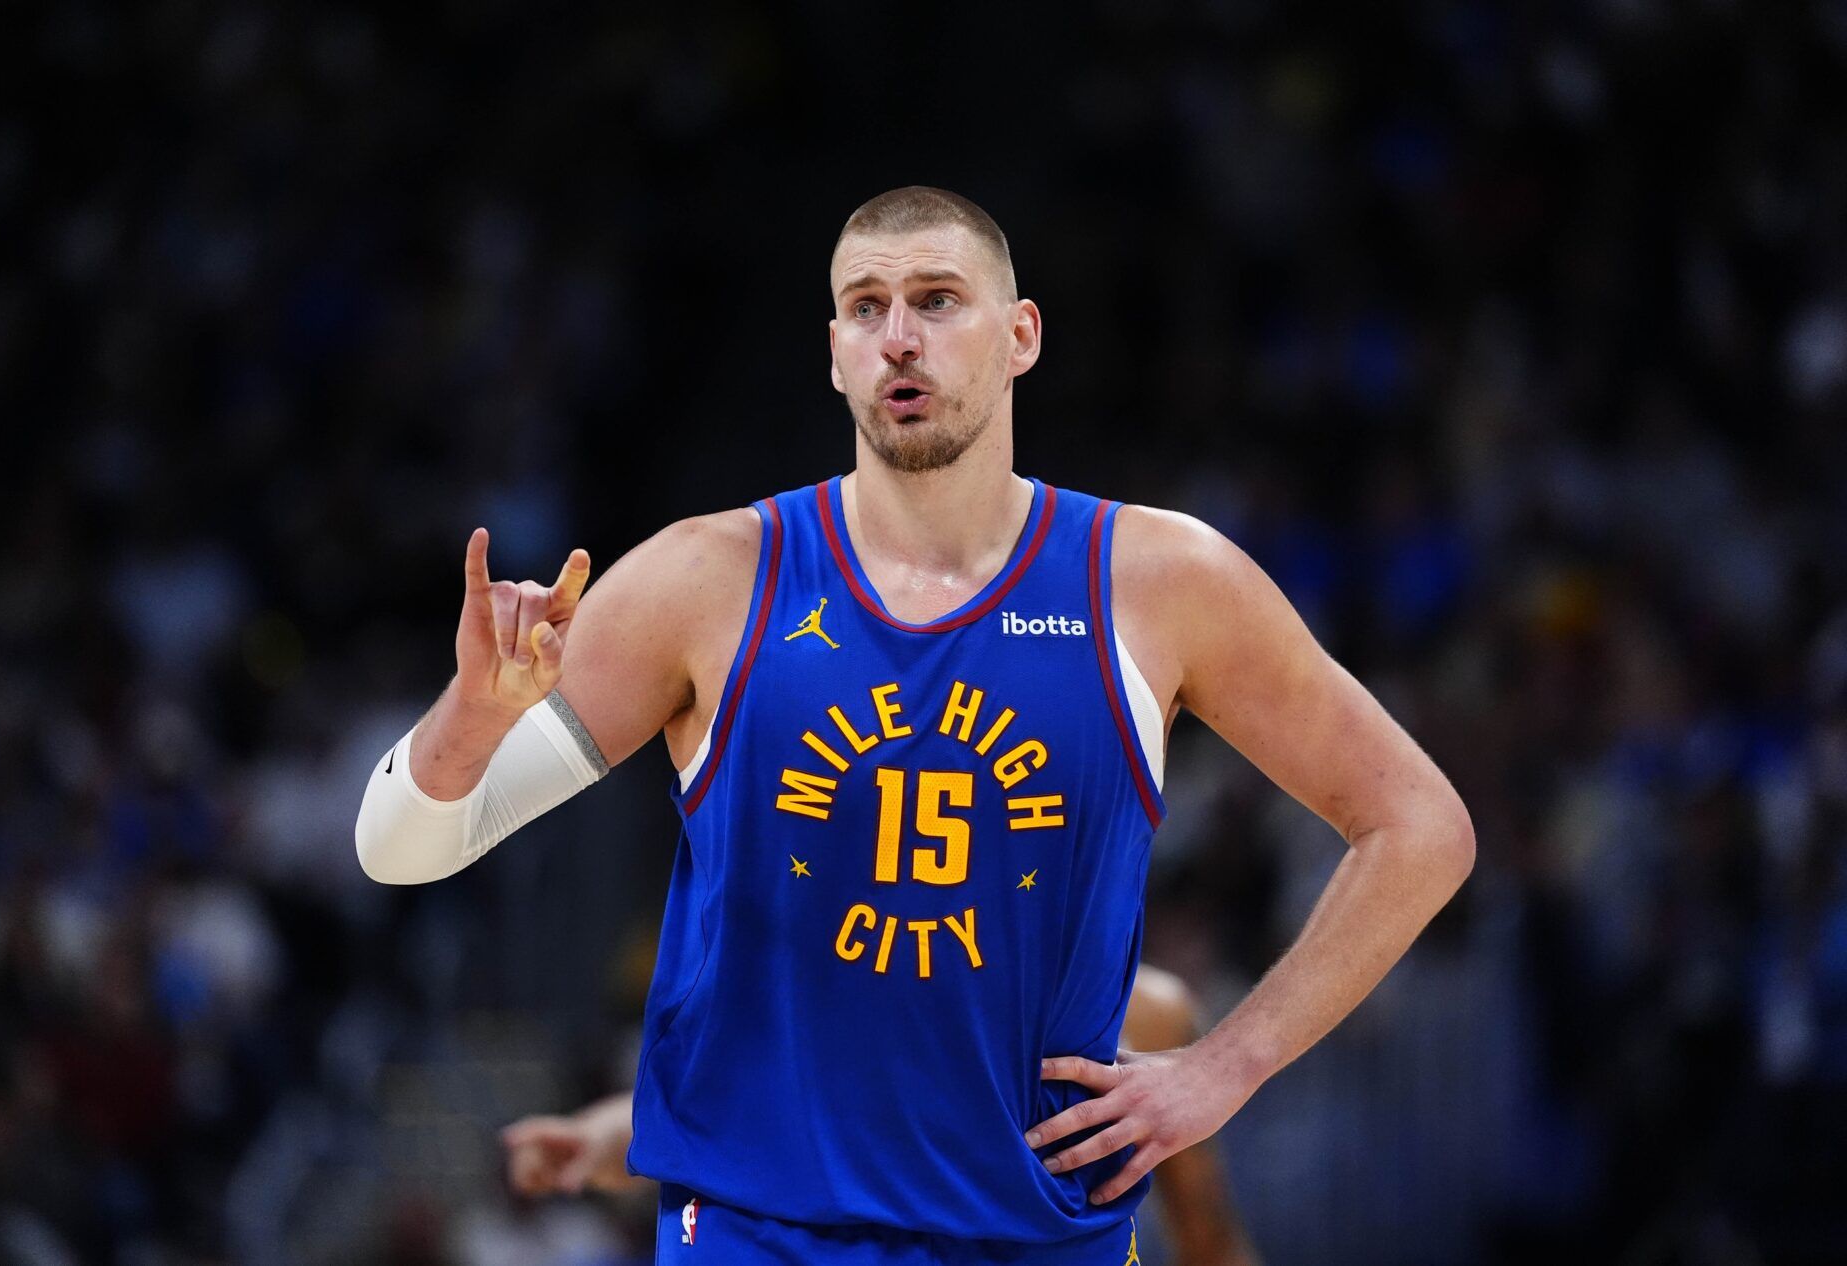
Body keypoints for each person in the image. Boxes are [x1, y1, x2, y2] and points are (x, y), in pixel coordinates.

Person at [354, 186, 1475, 1264]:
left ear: (1021, 334)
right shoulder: (706, 579)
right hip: (759, 1234)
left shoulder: (1158, 579)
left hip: (1039, 1238)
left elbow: (1420, 826)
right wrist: (473, 711)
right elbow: (404, 850)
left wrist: (1229, 1066)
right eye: (866, 307)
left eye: (938, 299)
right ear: (834, 350)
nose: (899, 336)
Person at [502, 965, 1263, 1266]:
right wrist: (606, 1132)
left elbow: (1208, 1230)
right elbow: (730, 1122)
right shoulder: (863, 993)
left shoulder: (1150, 1012)